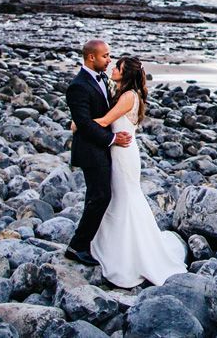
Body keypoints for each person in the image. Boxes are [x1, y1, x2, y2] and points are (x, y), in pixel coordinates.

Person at [79, 55, 188, 287]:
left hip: (123, 155)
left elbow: (106, 120)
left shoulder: (129, 96)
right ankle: (113, 246)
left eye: (117, 66)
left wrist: (78, 123)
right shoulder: (123, 93)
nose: (112, 67)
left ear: (124, 73)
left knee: (125, 198)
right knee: (118, 199)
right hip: (118, 151)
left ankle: (129, 255)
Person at [65, 39, 132, 266]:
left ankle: (89, 243)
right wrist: (112, 138)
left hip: (102, 149)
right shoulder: (78, 86)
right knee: (100, 196)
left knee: (97, 196)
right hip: (90, 150)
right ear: (91, 57)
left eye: (109, 55)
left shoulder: (103, 78)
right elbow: (83, 123)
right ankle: (77, 246)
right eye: (105, 56)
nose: (109, 59)